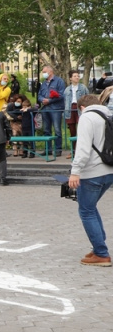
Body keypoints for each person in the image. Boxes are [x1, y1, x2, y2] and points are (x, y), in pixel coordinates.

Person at [69, 94, 113, 266]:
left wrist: (75, 171)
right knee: (90, 207)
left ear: (81, 108)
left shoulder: (87, 118)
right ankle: (98, 248)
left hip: (92, 172)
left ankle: (101, 253)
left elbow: (83, 148)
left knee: (86, 211)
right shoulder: (108, 115)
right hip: (109, 169)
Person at [37, 65, 66, 157]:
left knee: (57, 129)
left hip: (56, 108)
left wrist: (49, 101)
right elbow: (39, 95)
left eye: (44, 71)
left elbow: (61, 95)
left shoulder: (59, 81)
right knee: (46, 129)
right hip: (45, 109)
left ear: (50, 72)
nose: (43, 73)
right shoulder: (44, 83)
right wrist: (42, 100)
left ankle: (58, 149)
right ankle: (48, 149)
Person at [63, 70, 90, 158]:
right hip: (70, 109)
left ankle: (82, 151)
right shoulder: (67, 89)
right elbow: (65, 101)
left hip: (80, 108)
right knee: (72, 131)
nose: (77, 77)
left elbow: (88, 98)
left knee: (82, 130)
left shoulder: (83, 87)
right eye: (75, 76)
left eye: (78, 76)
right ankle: (73, 151)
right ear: (70, 78)